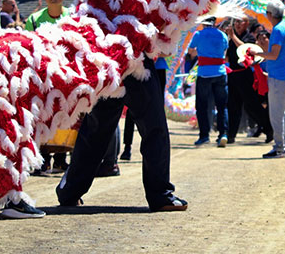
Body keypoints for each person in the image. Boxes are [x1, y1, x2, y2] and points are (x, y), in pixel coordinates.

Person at [56, 56, 188, 212]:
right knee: (153, 127)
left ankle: (70, 190)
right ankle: (160, 194)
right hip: (131, 58)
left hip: (111, 58)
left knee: (96, 130)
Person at [26, 0, 72, 174]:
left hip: (67, 75)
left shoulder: (73, 17)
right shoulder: (34, 19)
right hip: (43, 75)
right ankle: (42, 158)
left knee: (65, 116)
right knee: (42, 116)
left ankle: (61, 158)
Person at [258, 0, 285, 158]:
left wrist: (258, 54)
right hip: (283, 74)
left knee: (275, 113)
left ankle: (279, 148)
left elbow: (273, 54)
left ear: (270, 14)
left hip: (278, 76)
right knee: (280, 111)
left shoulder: (277, 30)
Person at [225, 16, 273, 144]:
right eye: (236, 21)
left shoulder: (249, 38)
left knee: (252, 106)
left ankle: (269, 129)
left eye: (240, 22)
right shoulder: (230, 38)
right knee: (232, 106)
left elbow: (245, 49)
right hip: (233, 75)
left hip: (245, 76)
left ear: (246, 24)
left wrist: (233, 36)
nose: (237, 24)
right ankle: (231, 134)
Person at [189, 16, 229, 147]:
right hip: (220, 72)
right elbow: (224, 51)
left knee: (202, 105)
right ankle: (223, 134)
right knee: (222, 105)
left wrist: (200, 50)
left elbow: (191, 52)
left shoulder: (199, 34)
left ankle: (204, 135)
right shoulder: (223, 35)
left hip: (204, 73)